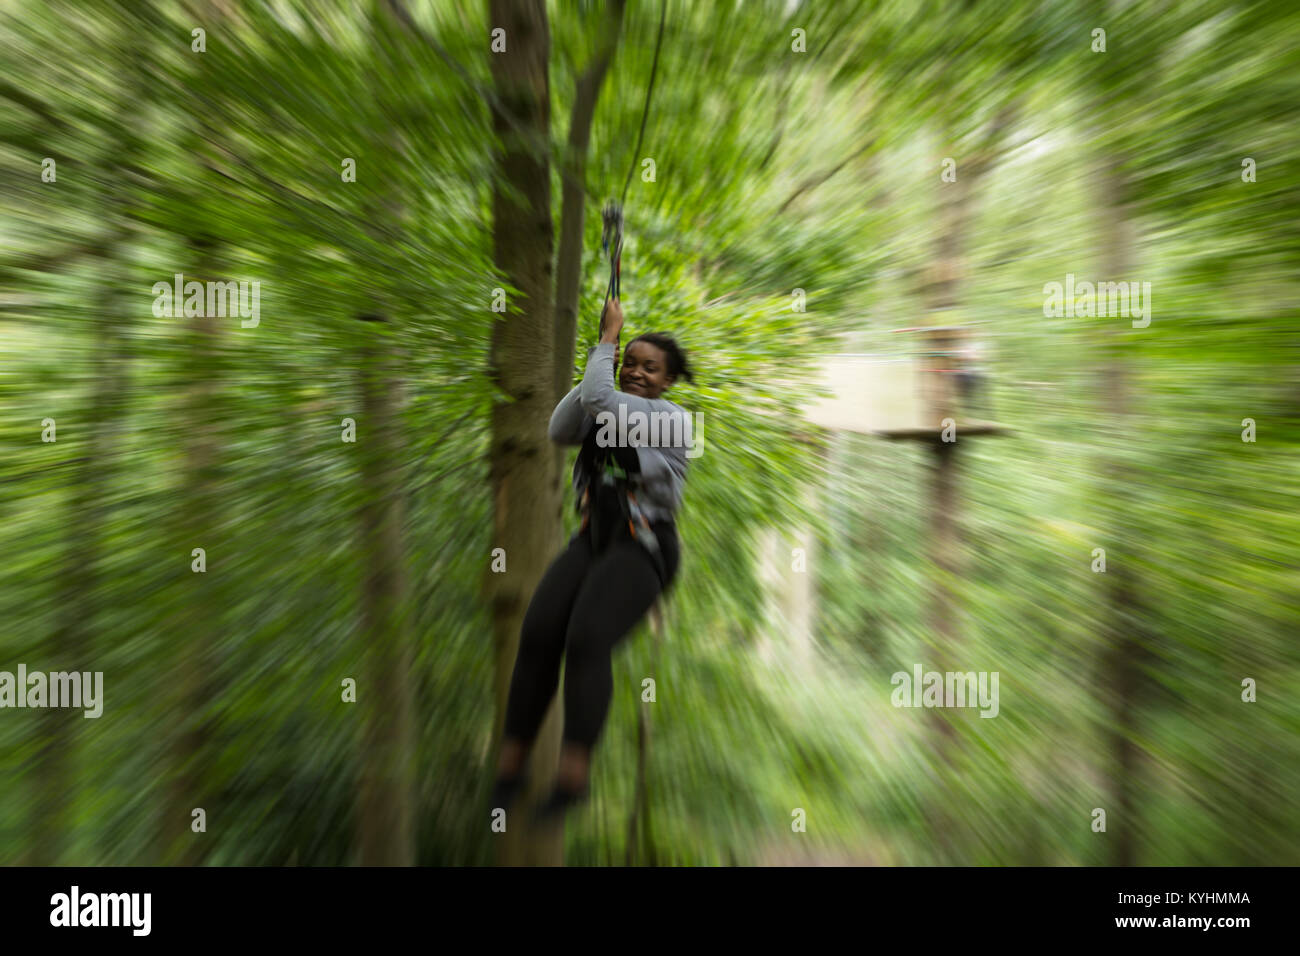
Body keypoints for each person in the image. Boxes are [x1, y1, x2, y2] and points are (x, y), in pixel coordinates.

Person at [490, 297, 695, 824]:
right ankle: (510, 769)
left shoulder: (670, 420)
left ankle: (573, 776)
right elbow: (560, 429)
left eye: (651, 368)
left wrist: (607, 344)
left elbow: (601, 398)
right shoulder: (608, 404)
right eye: (631, 361)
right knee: (538, 633)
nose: (638, 372)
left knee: (585, 638)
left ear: (668, 381)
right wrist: (601, 356)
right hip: (596, 538)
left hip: (645, 547)